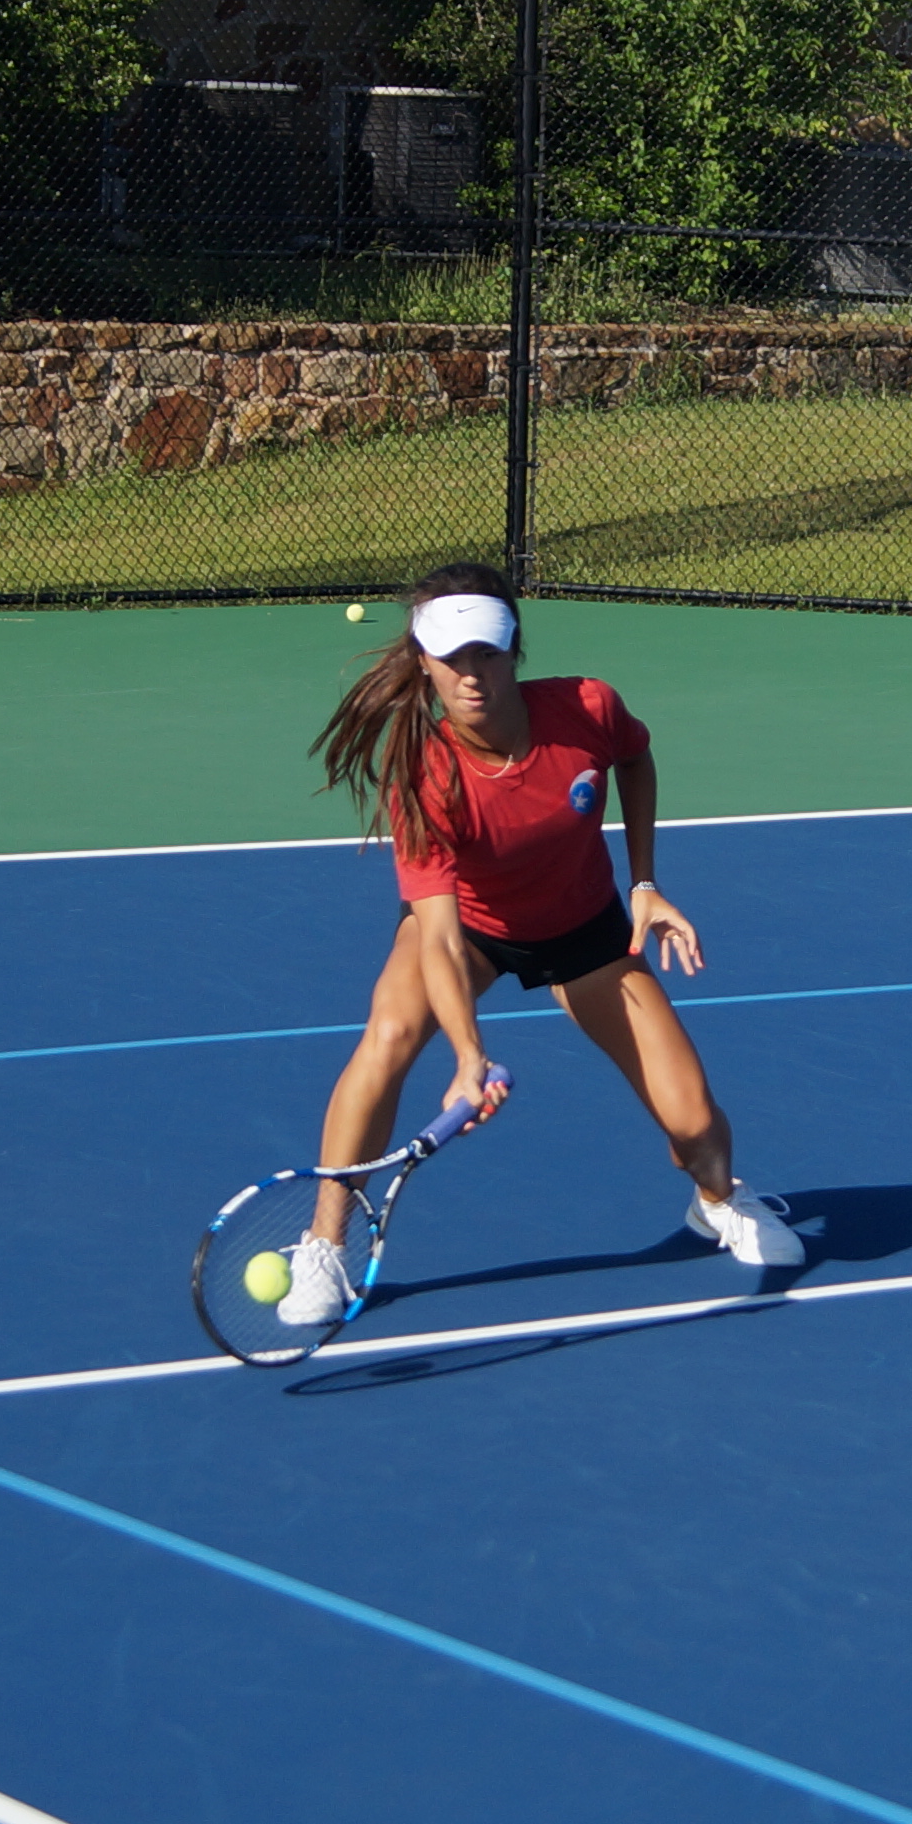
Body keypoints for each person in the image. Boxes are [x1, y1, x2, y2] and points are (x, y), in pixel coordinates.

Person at [283, 565, 799, 1323]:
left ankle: (717, 1201)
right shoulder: (423, 772)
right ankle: (324, 1243)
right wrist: (467, 1057)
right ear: (422, 661)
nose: (471, 675)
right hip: (472, 930)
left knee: (695, 1125)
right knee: (389, 1034)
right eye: (451, 658)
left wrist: (646, 882)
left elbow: (634, 758)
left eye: (486, 653)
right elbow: (436, 933)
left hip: (585, 929)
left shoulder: (588, 706)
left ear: (514, 648)